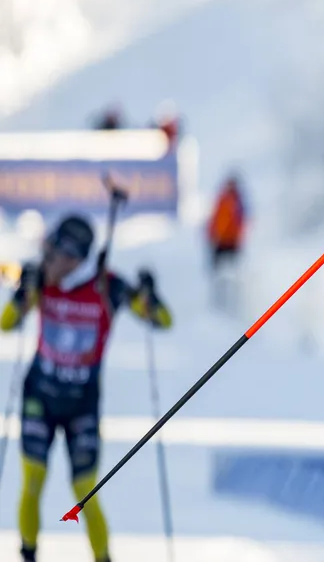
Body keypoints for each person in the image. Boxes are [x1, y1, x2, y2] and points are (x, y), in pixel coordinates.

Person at [0, 215, 173, 562]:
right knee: (32, 481)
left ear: (75, 258)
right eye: (45, 253)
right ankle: (28, 555)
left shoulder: (108, 287)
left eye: (53, 255)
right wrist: (21, 295)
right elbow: (6, 323)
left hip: (82, 404)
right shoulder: (39, 280)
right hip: (40, 397)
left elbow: (163, 320)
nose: (46, 261)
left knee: (85, 490)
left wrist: (150, 295)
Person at [206, 173, 248, 312]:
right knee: (218, 274)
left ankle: (232, 302)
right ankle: (218, 301)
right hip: (220, 242)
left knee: (231, 274)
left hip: (231, 243)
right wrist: (211, 235)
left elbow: (241, 222)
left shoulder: (237, 201)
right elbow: (215, 219)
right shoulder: (223, 199)